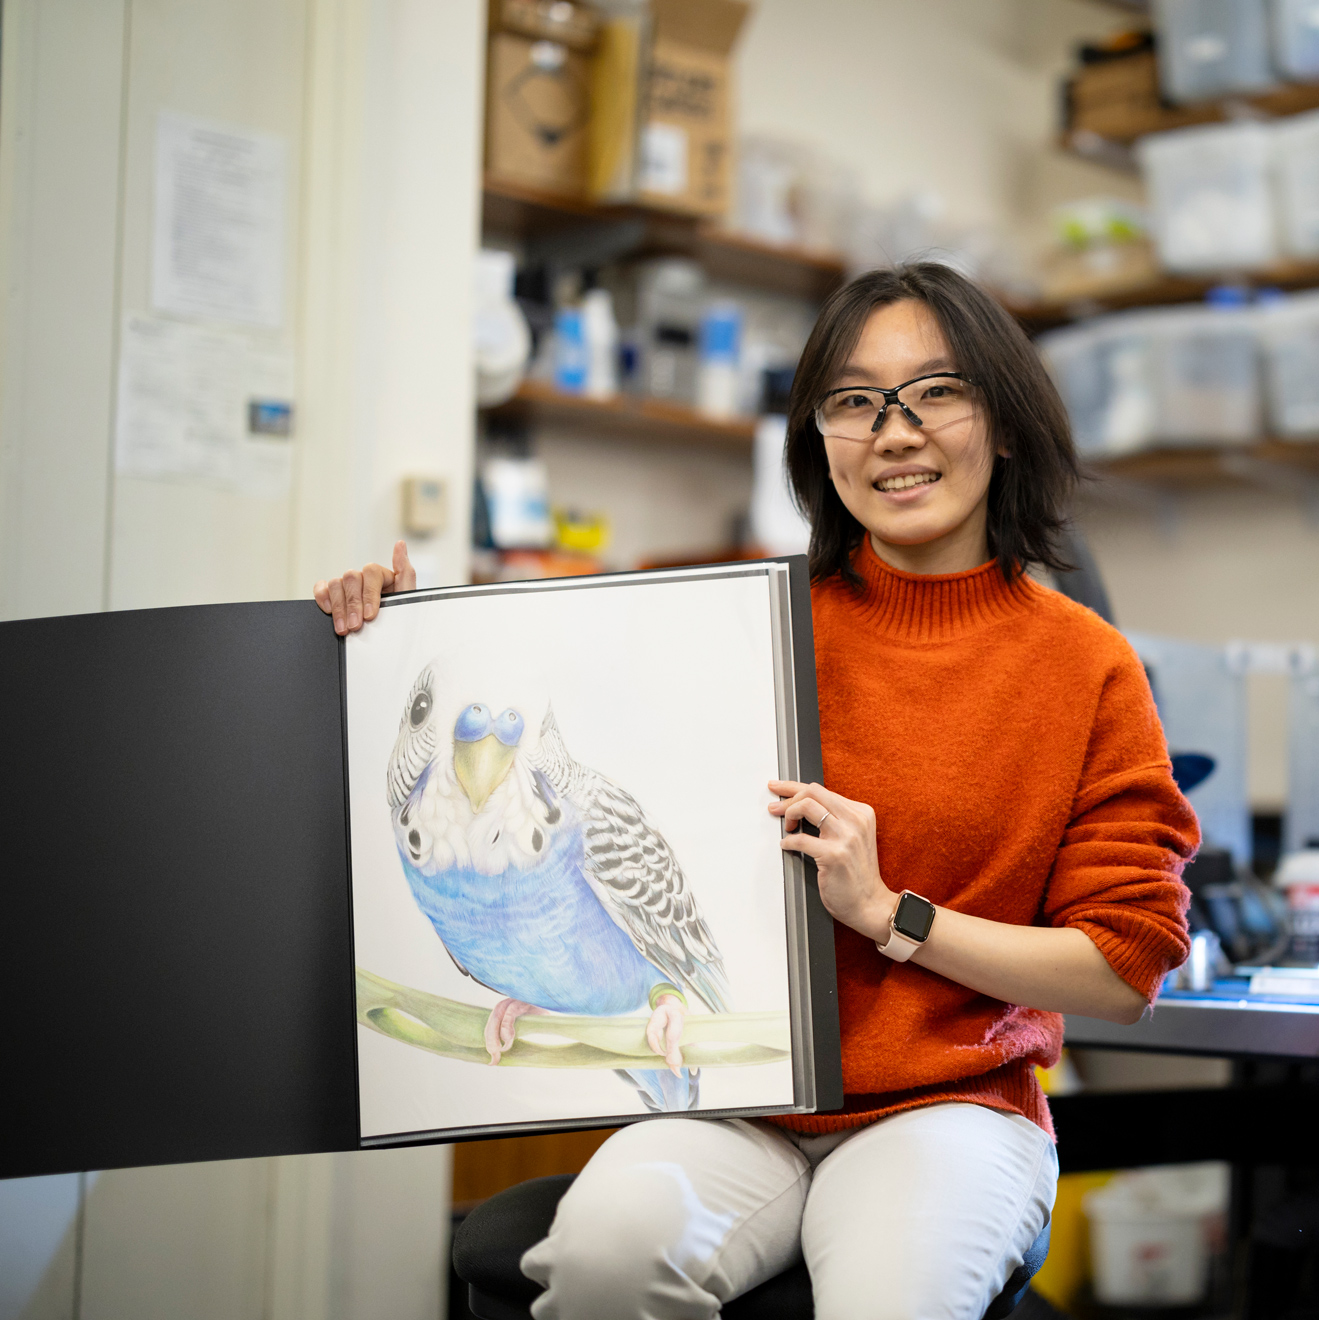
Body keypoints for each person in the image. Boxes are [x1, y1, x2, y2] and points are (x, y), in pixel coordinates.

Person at [318, 262, 1199, 1319]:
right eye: (856, 401)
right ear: (820, 439)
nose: (895, 430)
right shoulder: (741, 626)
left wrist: (891, 917)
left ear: (1003, 424)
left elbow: (1122, 968)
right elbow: (550, 705)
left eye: (937, 393)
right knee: (600, 1264)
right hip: (743, 1101)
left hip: (951, 1102)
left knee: (893, 1300)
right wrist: (412, 636)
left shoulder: (1085, 666)